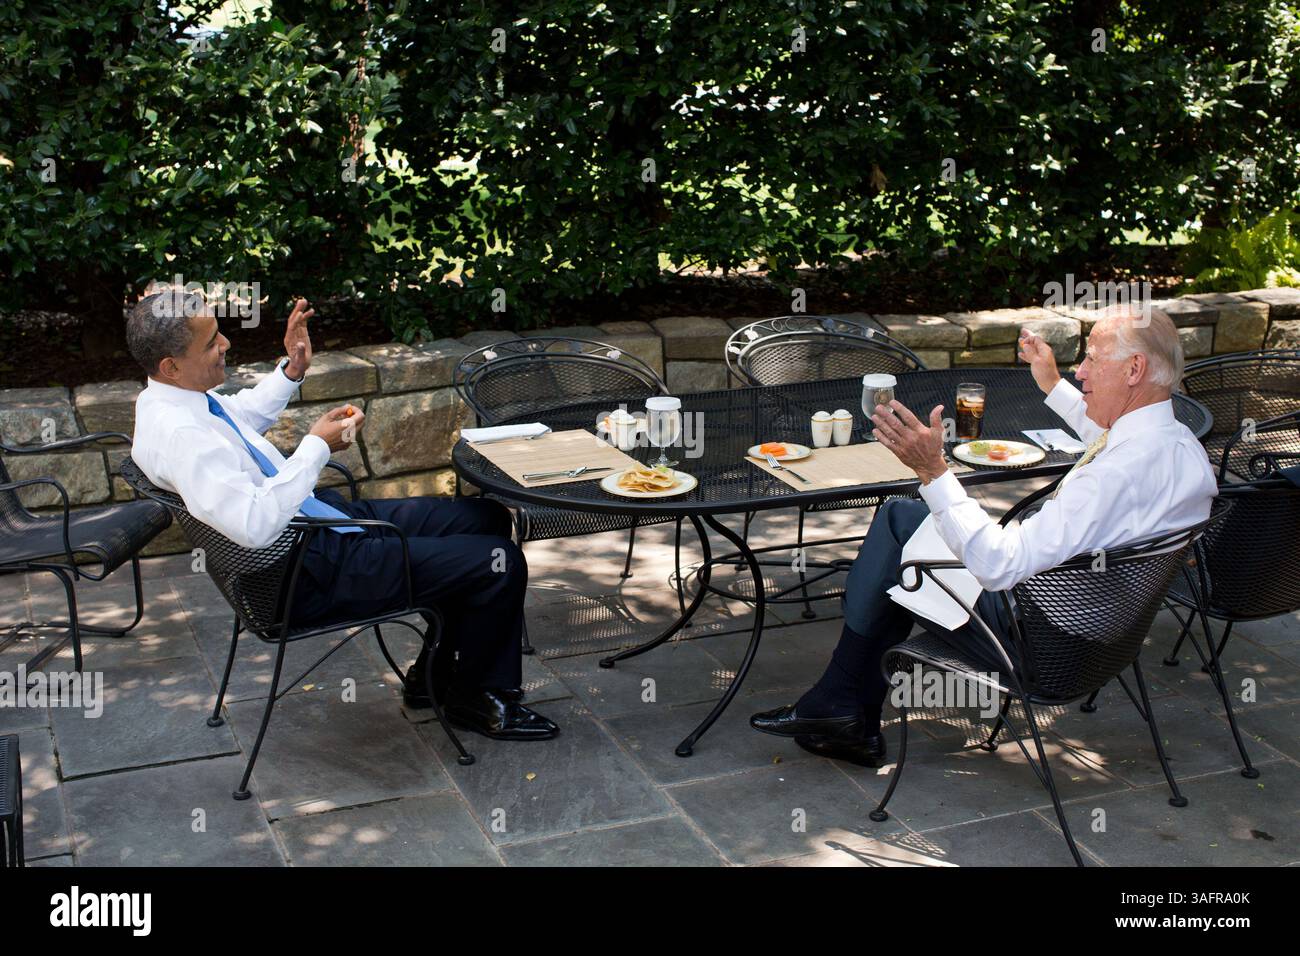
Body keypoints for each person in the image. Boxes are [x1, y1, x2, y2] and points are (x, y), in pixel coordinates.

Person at [751, 306, 1216, 765]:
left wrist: (933, 470)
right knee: (908, 528)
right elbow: (1108, 433)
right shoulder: (1183, 453)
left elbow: (998, 565)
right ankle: (844, 705)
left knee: (899, 529)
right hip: (1107, 639)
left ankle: (841, 707)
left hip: (1041, 644)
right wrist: (1052, 384)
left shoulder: (1112, 477)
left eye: (1093, 358)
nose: (1082, 370)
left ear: (1134, 369)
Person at [127, 290, 558, 741]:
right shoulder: (182, 435)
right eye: (212, 341)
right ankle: (479, 696)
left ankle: (436, 676)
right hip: (303, 573)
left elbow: (240, 417)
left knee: (484, 518)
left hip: (316, 527)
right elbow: (253, 525)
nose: (226, 345)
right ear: (170, 366)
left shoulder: (173, 402)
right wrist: (316, 446)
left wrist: (292, 369)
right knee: (497, 561)